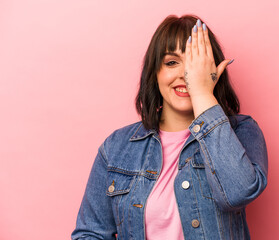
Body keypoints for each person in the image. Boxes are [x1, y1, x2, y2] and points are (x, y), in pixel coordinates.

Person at [71, 14, 268, 240]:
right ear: (155, 73)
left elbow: (238, 193)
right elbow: (89, 234)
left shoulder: (242, 131)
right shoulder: (116, 148)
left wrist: (202, 92)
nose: (186, 74)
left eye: (196, 64)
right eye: (172, 62)